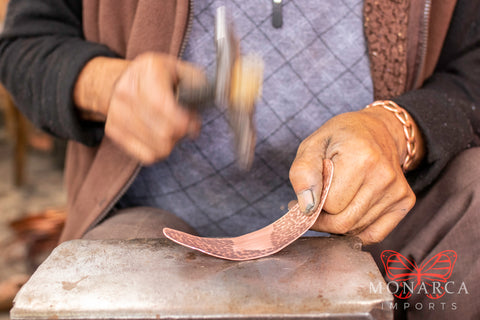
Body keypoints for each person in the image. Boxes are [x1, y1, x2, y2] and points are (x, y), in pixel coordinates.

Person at [0, 0, 478, 318]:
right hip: (148, 217)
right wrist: (104, 85)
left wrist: (395, 127)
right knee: (107, 301)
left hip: (376, 218)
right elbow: (27, 44)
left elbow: (471, 66)